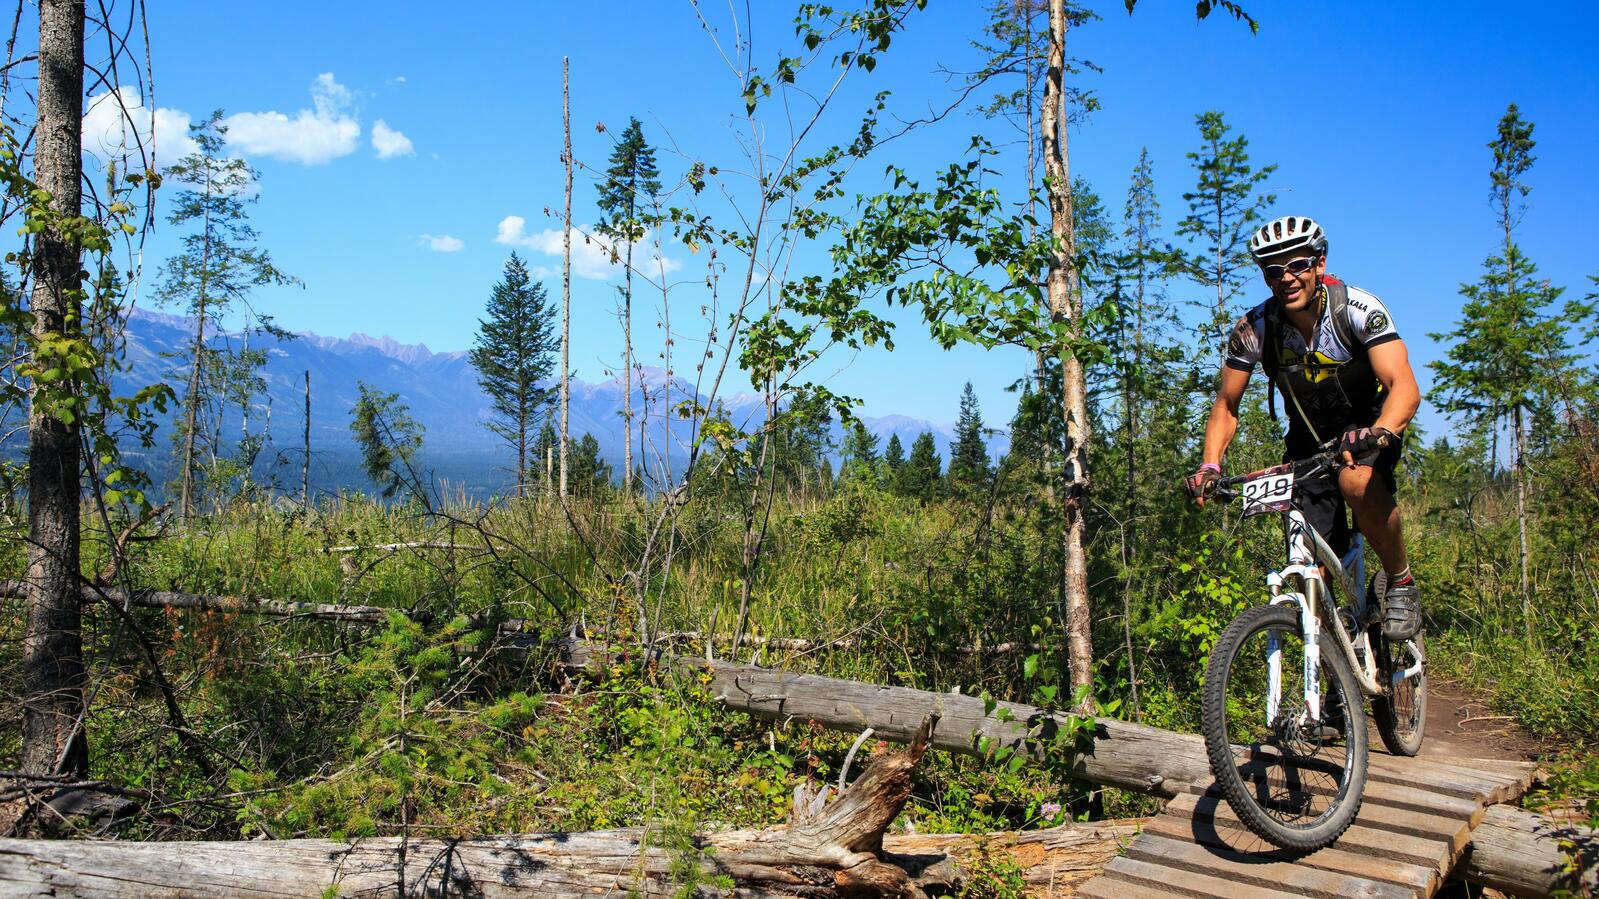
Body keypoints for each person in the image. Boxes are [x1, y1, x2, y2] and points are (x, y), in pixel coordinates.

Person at [1186, 215, 1423, 641]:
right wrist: (1210, 466)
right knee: (1310, 570)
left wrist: (1380, 431)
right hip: (1308, 439)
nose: (1287, 278)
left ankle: (1400, 581)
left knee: (1355, 481)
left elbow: (1402, 386)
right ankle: (1333, 671)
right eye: (1273, 271)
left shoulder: (1357, 309)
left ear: (1319, 264)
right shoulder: (1255, 328)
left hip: (1368, 425)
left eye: (1297, 265)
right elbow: (1226, 404)